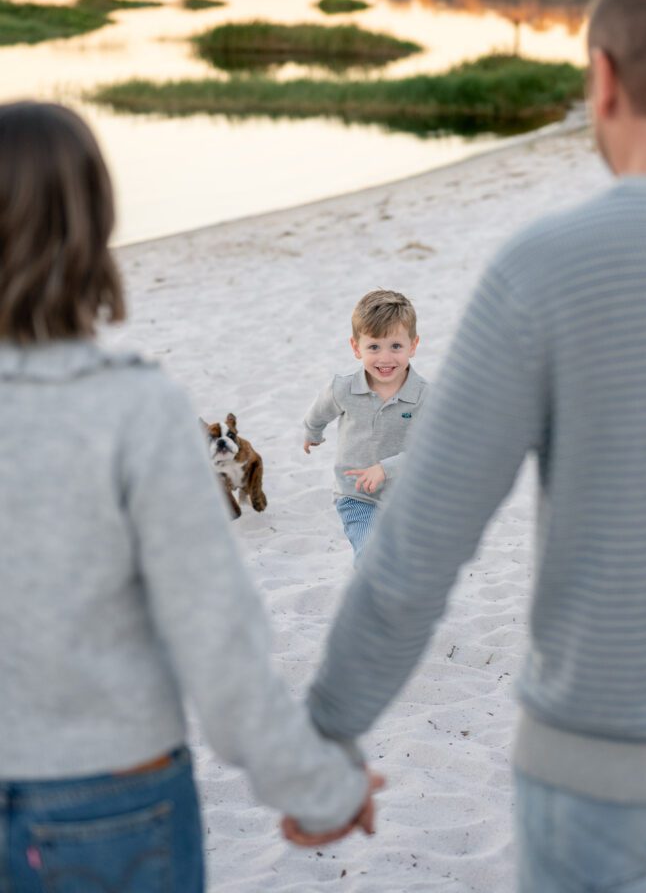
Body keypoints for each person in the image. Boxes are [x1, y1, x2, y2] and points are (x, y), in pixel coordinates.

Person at [294, 0, 646, 889]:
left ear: (602, 81)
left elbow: (419, 542)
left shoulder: (544, 269)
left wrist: (325, 735)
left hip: (600, 779)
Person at [0, 101, 380, 893]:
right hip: (110, 792)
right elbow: (216, 634)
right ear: (96, 229)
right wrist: (313, 785)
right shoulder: (135, 407)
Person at [303, 289, 427, 565]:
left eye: (396, 346)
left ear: (413, 345)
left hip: (407, 496)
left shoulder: (424, 396)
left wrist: (385, 469)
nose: (385, 358)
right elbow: (319, 412)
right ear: (356, 347)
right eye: (374, 347)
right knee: (371, 555)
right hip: (357, 495)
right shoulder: (343, 388)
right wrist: (312, 432)